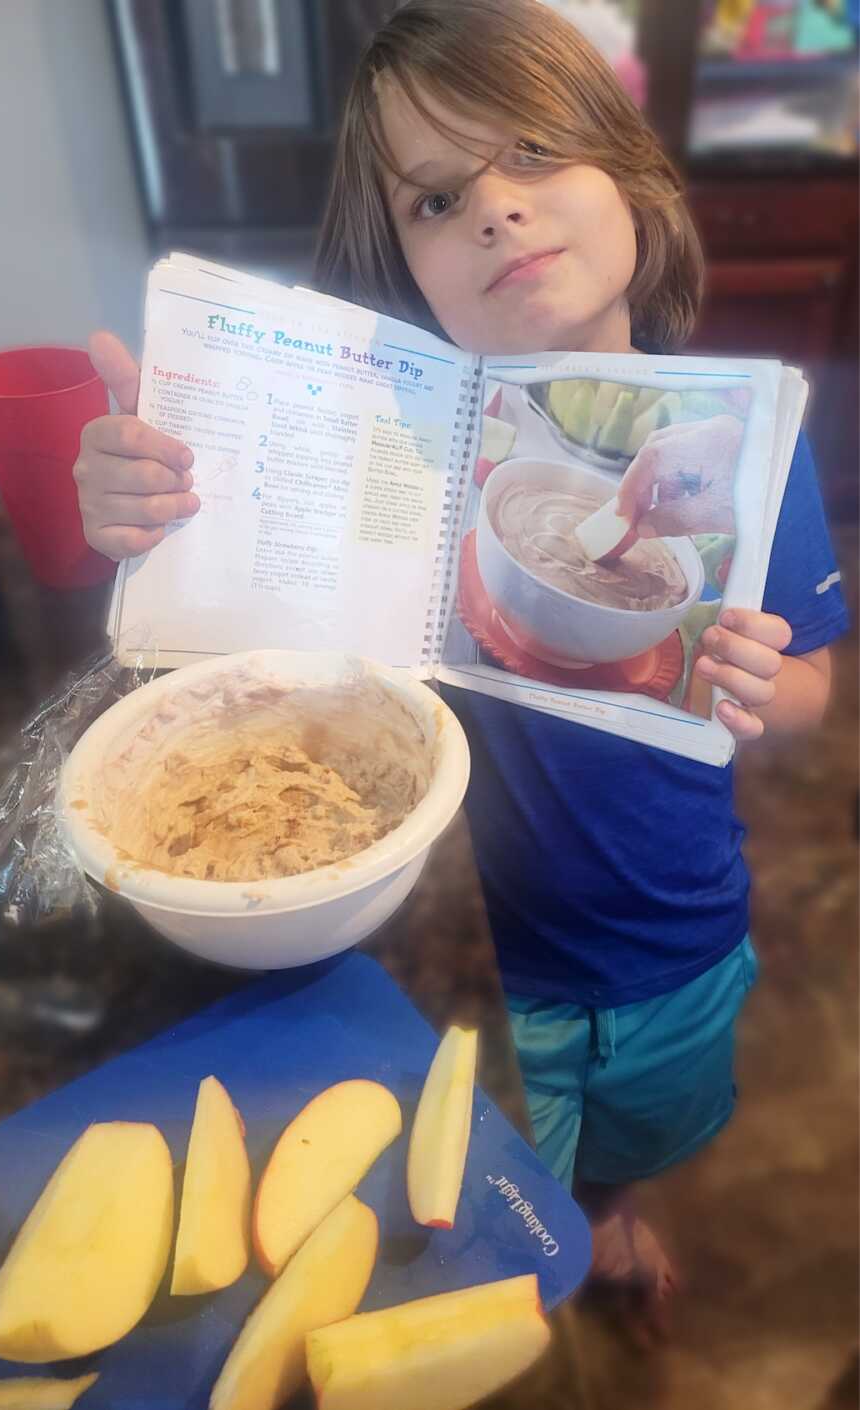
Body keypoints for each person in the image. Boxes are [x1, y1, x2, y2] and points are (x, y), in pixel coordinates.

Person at [74, 0, 848, 1336]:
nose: (496, 209)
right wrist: (151, 512)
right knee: (481, 1203)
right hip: (471, 951)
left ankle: (609, 1209)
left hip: (674, 929)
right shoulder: (393, 455)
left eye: (538, 153)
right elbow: (223, 627)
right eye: (437, 199)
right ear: (405, 263)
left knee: (638, 1133)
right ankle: (543, 1246)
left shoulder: (744, 457)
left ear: (639, 182)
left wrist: (753, 683)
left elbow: (815, 689)